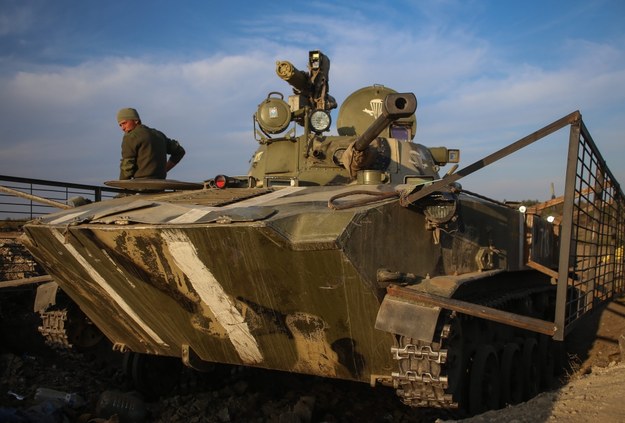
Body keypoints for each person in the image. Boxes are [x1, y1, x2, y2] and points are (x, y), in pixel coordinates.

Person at [116, 107, 186, 180]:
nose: (123, 128)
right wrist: (164, 170)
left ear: (136, 120)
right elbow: (180, 151)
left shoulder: (131, 136)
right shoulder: (159, 135)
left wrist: (122, 187)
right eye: (120, 125)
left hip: (140, 186)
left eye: (124, 123)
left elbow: (127, 166)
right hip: (160, 185)